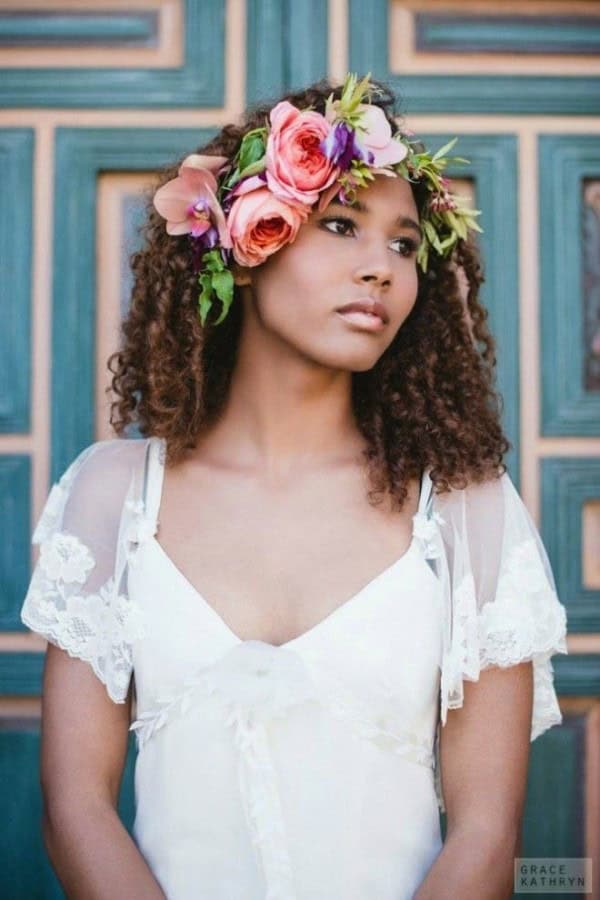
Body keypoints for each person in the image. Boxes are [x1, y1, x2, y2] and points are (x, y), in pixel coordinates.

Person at [21, 73, 568, 899]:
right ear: (244, 244)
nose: (381, 268)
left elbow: (487, 833)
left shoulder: (466, 507)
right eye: (342, 225)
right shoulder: (113, 495)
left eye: (405, 244)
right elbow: (75, 806)